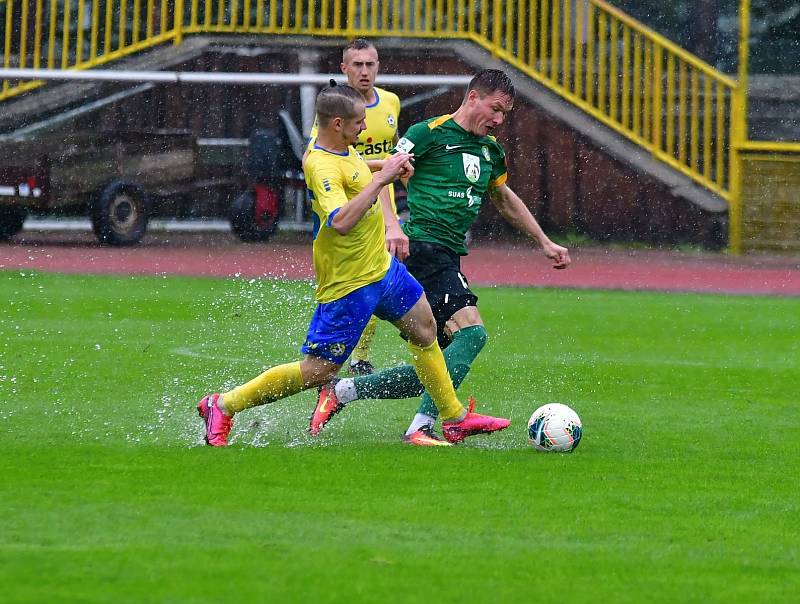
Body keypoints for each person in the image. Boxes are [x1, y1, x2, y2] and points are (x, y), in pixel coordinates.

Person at [196, 81, 510, 447]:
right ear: (336, 124)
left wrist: (387, 163)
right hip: (350, 283)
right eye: (358, 122)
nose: (365, 127)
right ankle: (224, 404)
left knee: (425, 331)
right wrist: (382, 178)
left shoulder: (342, 148)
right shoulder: (321, 166)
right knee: (318, 371)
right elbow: (341, 222)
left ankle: (454, 418)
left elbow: (356, 166)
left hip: (383, 269)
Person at [309, 69, 571, 446]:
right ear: (473, 98)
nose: (498, 120)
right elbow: (381, 176)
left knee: (438, 366)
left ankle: (343, 391)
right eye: (495, 109)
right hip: (422, 248)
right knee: (473, 334)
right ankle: (424, 426)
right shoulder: (427, 133)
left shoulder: (489, 149)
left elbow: (504, 197)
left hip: (448, 253)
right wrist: (393, 227)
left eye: (505, 115)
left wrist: (544, 242)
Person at [305, 38, 404, 376]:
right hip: (344, 215)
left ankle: (360, 358)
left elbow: (368, 163)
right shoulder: (331, 116)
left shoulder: (390, 102)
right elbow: (330, 167)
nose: (364, 71)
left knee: (417, 320)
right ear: (343, 68)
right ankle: (327, 365)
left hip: (378, 203)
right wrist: (382, 174)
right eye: (357, 65)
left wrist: (392, 173)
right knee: (352, 286)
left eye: (370, 64)